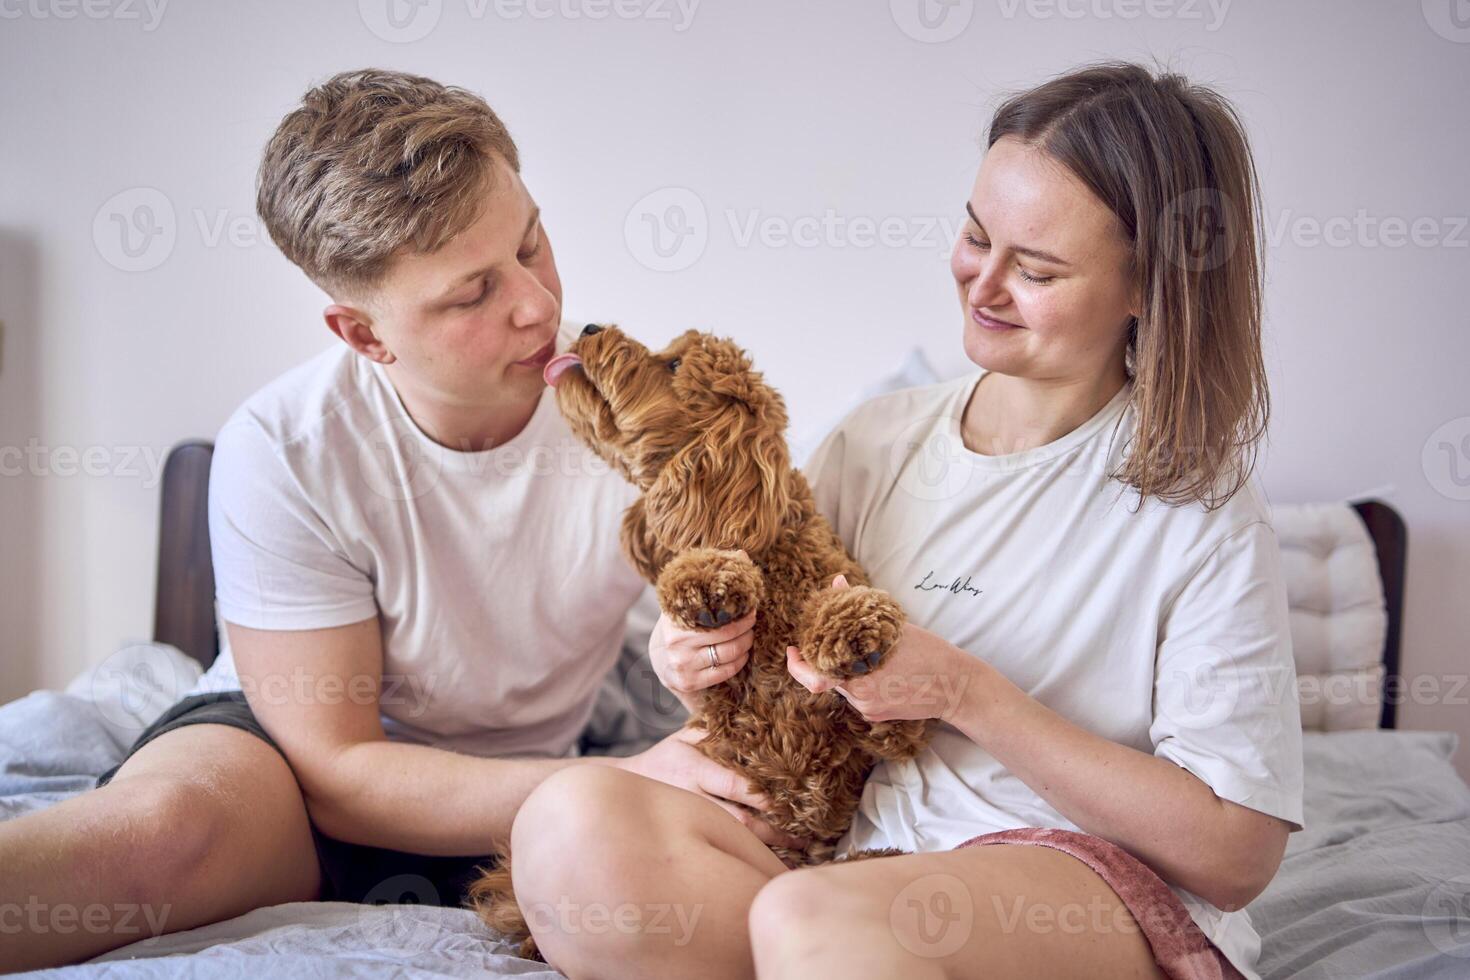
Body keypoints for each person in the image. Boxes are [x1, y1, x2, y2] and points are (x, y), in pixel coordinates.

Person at [509, 62, 1304, 980]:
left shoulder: (1200, 514)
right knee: (567, 822)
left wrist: (968, 694)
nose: (985, 284)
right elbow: (788, 677)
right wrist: (697, 666)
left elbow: (1237, 855)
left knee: (820, 924)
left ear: (1147, 289)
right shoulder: (877, 442)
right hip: (850, 863)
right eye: (976, 236)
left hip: (1069, 881)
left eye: (1037, 269)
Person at [0, 68, 787, 973]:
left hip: (538, 783)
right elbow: (342, 774)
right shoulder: (287, 446)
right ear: (366, 336)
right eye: (473, 293)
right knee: (157, 838)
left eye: (532, 245)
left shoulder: (643, 422)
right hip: (302, 772)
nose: (537, 304)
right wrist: (623, 777)